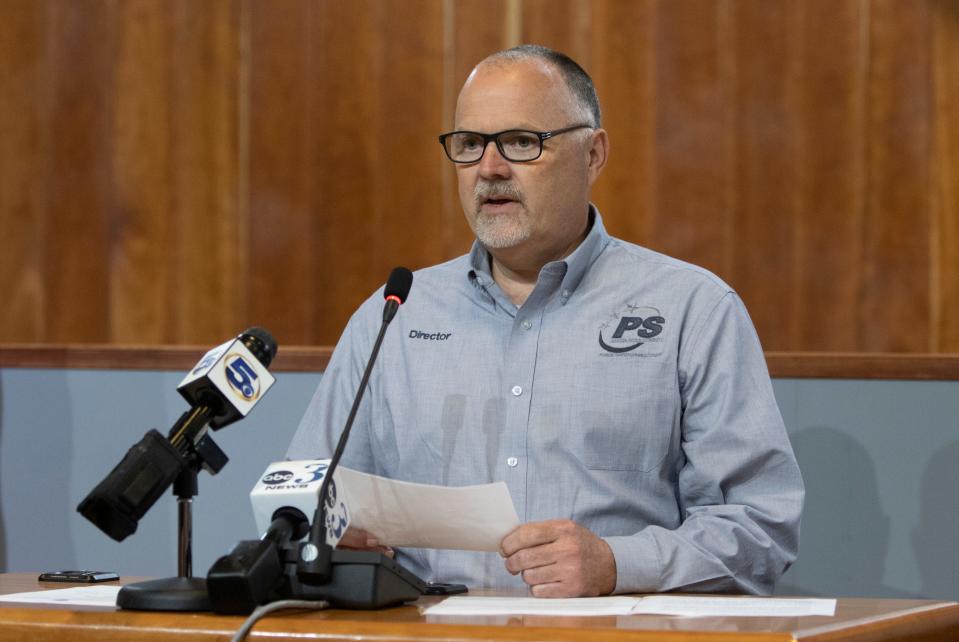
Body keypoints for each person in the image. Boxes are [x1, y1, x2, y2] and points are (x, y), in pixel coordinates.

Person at [287, 44, 804, 598]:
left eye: (520, 142)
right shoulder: (393, 313)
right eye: (469, 145)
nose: (489, 169)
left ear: (594, 155)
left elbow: (758, 527)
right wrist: (326, 538)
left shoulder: (691, 309)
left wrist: (616, 564)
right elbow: (299, 503)